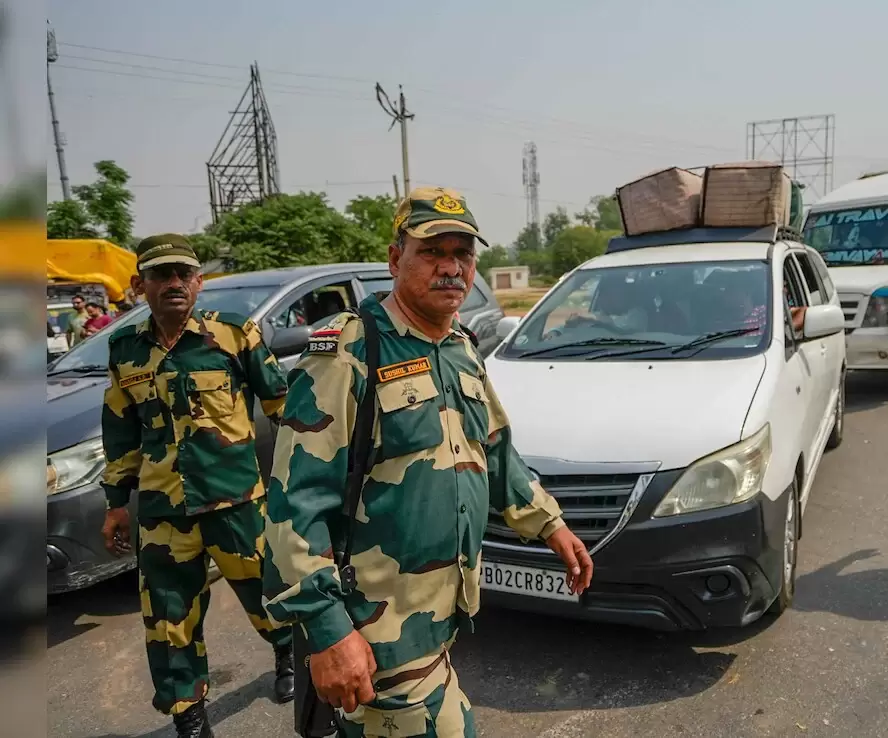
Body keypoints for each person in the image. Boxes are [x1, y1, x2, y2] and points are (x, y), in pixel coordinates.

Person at [262, 187, 594, 738]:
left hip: (438, 617)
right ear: (396, 260)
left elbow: (493, 452)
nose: (451, 268)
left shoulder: (459, 347)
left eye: (462, 254)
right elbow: (295, 505)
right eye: (432, 252)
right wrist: (326, 630)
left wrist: (551, 525)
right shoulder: (350, 351)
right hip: (375, 626)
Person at [99, 233, 296, 738]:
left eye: (183, 274)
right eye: (161, 275)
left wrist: (303, 487)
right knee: (168, 624)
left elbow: (286, 412)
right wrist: (116, 503)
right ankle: (188, 715)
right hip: (164, 512)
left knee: (270, 599)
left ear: (199, 282)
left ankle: (287, 656)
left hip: (236, 504)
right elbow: (121, 429)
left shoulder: (234, 336)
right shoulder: (125, 349)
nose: (173, 284)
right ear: (140, 284)